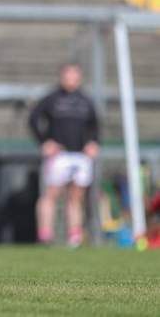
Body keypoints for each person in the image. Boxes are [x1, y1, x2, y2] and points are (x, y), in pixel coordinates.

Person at [28, 63, 100, 248]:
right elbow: (33, 120)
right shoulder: (51, 99)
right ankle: (45, 235)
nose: (71, 80)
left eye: (74, 77)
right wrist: (45, 142)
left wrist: (94, 143)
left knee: (75, 196)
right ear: (61, 77)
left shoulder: (85, 101)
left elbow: (96, 125)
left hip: (79, 156)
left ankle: (74, 237)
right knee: (51, 193)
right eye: (67, 76)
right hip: (58, 156)